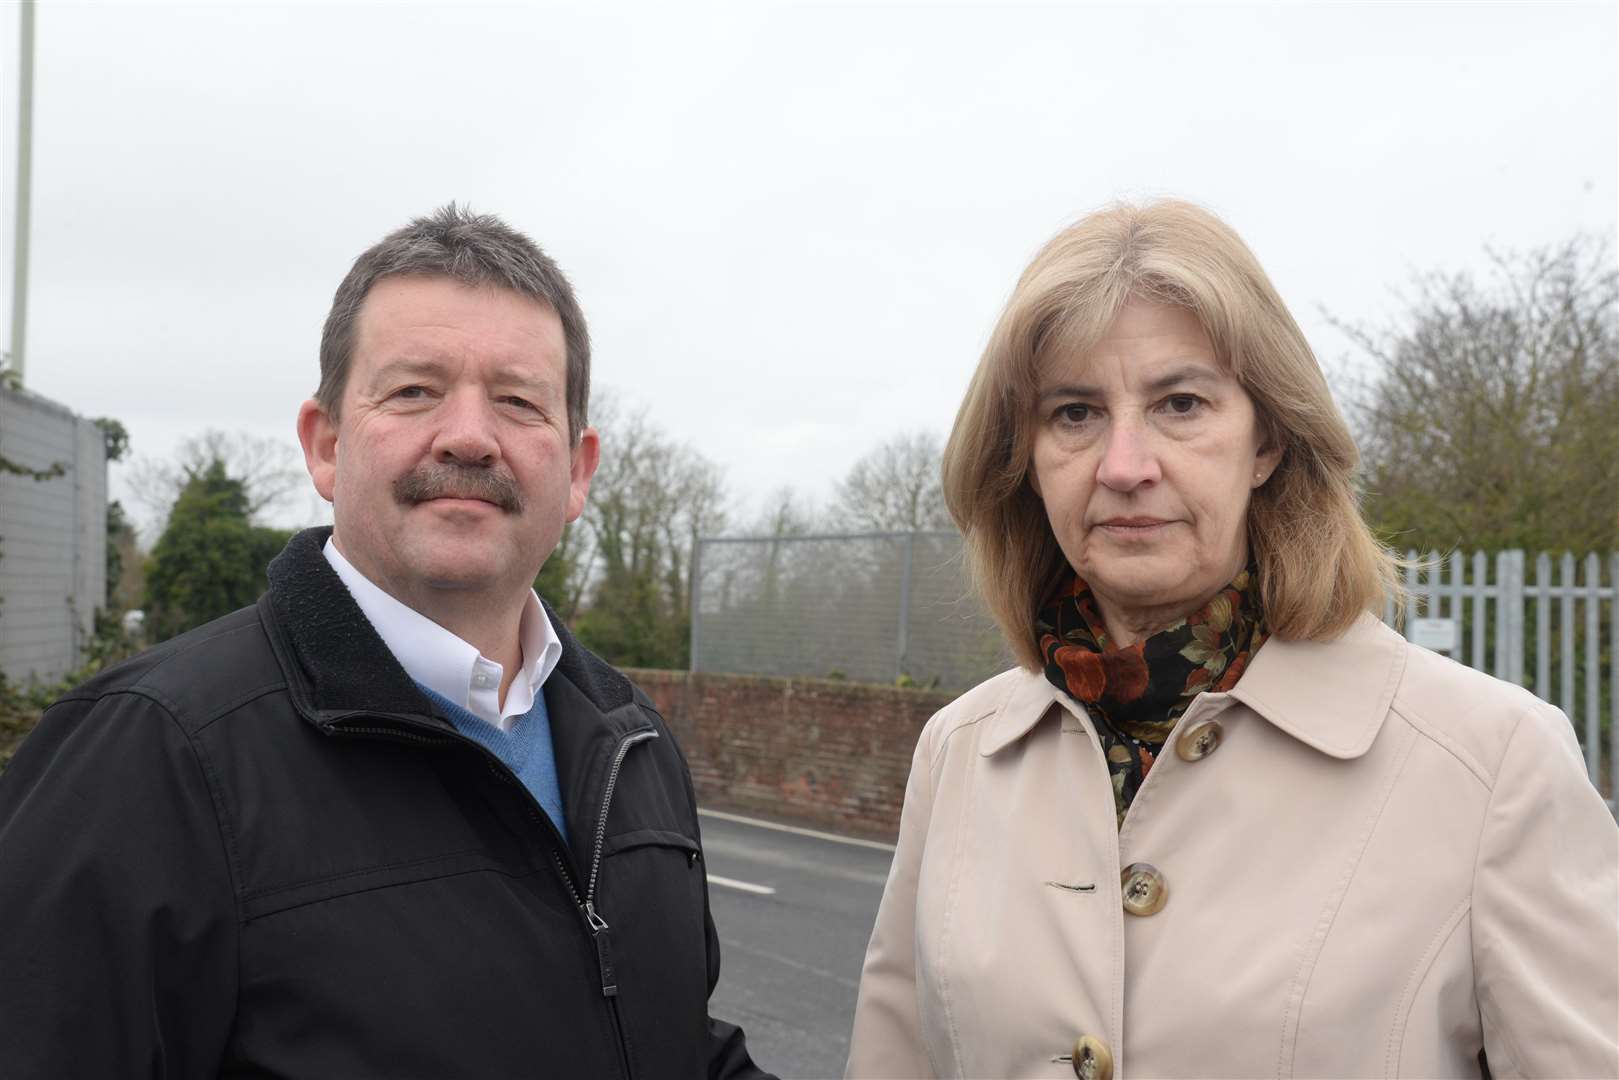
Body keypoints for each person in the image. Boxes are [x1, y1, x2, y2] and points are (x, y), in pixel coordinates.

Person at [844, 200, 1618, 1079]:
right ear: (1023, 454)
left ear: (1268, 441)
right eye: (1073, 413)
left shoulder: (1494, 765)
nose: (1124, 465)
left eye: (1179, 403)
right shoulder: (958, 752)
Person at [0, 205, 772, 1079]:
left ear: (578, 471)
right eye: (413, 391)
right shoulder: (147, 756)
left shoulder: (630, 740)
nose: (470, 436)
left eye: (518, 402)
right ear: (325, 445)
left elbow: (673, 1044)